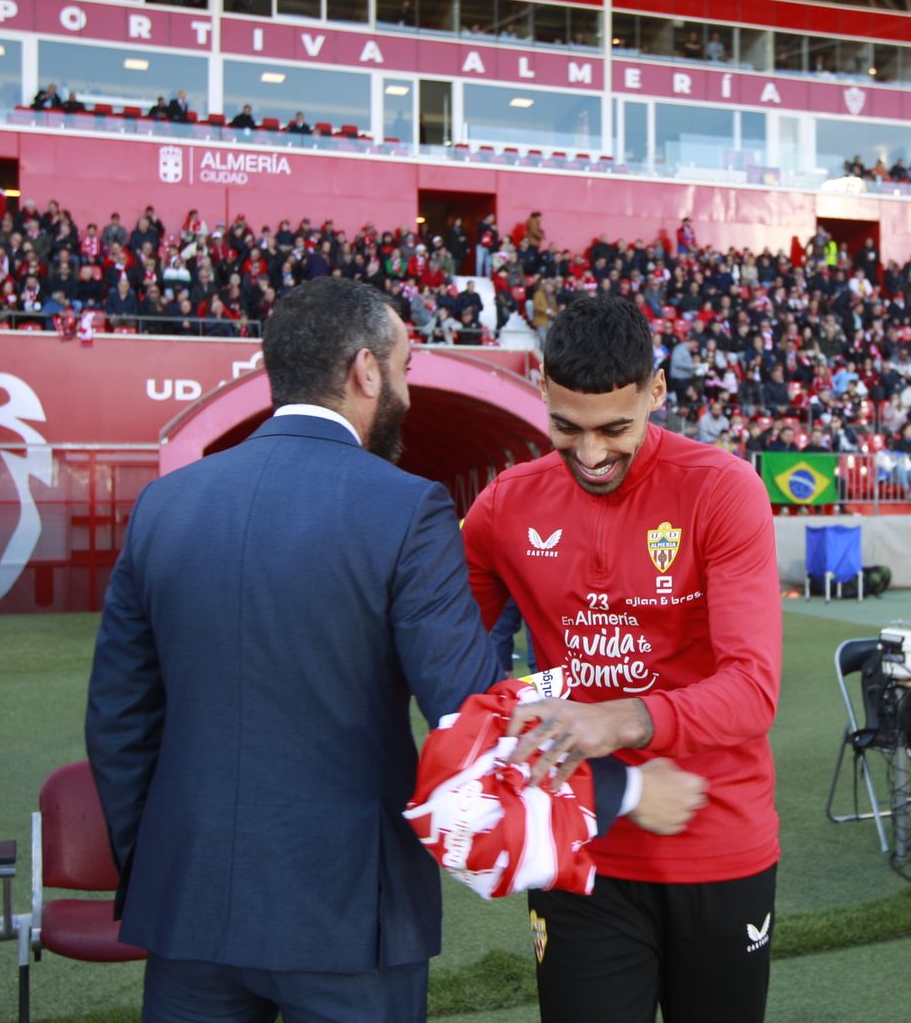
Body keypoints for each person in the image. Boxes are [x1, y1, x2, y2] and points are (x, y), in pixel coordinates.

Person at [86, 277, 704, 1022]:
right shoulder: (405, 507)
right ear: (366, 371)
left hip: (185, 905)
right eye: (406, 368)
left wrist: (156, 866)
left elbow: (118, 721)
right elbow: (472, 710)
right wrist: (627, 791)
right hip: (350, 913)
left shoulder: (164, 506)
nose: (407, 390)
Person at [464, 293, 782, 1023]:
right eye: (566, 427)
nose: (591, 454)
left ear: (657, 390)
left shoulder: (721, 490)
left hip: (716, 840)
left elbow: (753, 689)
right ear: (540, 386)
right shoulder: (503, 506)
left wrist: (618, 721)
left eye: (616, 428)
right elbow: (453, 665)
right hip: (579, 848)